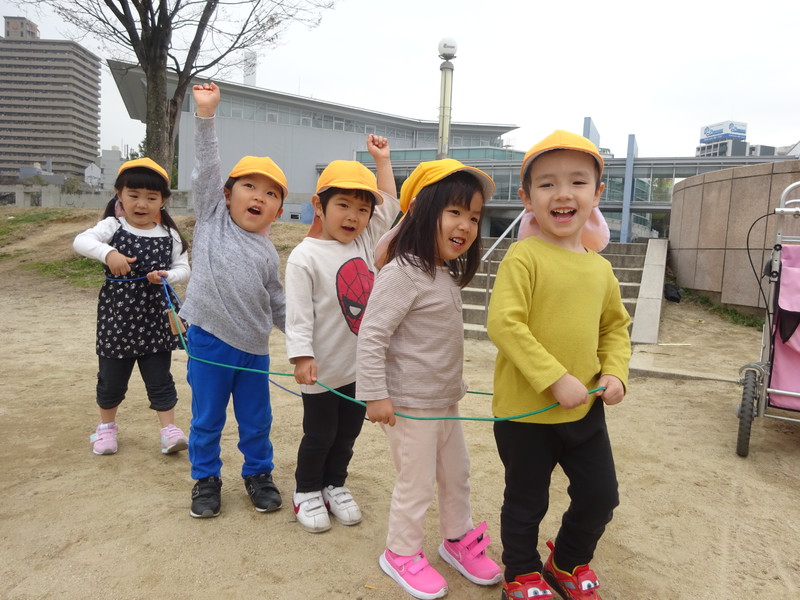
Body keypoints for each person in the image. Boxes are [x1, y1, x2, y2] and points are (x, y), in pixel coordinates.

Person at [486, 130, 631, 600]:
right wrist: (553, 378)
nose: (563, 193)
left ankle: (567, 559)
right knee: (527, 500)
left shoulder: (600, 268)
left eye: (578, 182)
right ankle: (522, 571)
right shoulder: (523, 256)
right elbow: (505, 324)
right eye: (547, 184)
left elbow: (615, 328)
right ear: (527, 198)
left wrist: (614, 373)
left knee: (600, 495)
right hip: (524, 414)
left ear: (597, 195)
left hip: (586, 410)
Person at [357, 159, 502, 600]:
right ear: (422, 211)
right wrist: (375, 395)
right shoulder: (402, 272)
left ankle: (456, 539)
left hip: (444, 403)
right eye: (455, 212)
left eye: (474, 217)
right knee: (415, 483)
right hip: (408, 406)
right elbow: (372, 334)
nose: (466, 225)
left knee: (456, 473)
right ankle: (400, 552)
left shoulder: (443, 273)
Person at [179, 82, 287, 519]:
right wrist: (206, 115)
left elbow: (277, 300)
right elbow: (207, 167)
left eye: (271, 193)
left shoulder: (267, 251)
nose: (259, 196)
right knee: (207, 420)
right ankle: (205, 479)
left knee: (256, 420)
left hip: (254, 350)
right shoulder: (211, 217)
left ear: (279, 211)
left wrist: (300, 338)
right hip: (208, 342)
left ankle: (258, 474)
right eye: (249, 186)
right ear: (227, 194)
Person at [284, 139, 400, 533]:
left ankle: (335, 484)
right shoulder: (305, 256)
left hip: (359, 369)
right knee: (319, 433)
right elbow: (297, 314)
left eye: (362, 209)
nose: (353, 217)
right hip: (321, 369)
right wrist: (301, 356)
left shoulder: (367, 241)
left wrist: (382, 161)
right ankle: (306, 491)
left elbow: (390, 202)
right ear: (320, 206)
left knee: (348, 433)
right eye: (343, 206)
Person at [73, 158, 190, 456]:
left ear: (163, 201)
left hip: (156, 319)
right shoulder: (112, 226)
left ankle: (169, 430)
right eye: (134, 195)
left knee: (160, 378)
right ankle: (106, 428)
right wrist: (108, 253)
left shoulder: (170, 235)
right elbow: (81, 241)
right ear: (119, 194)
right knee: (111, 380)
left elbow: (183, 268)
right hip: (117, 319)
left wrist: (167, 275)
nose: (142, 203)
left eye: (151, 197)